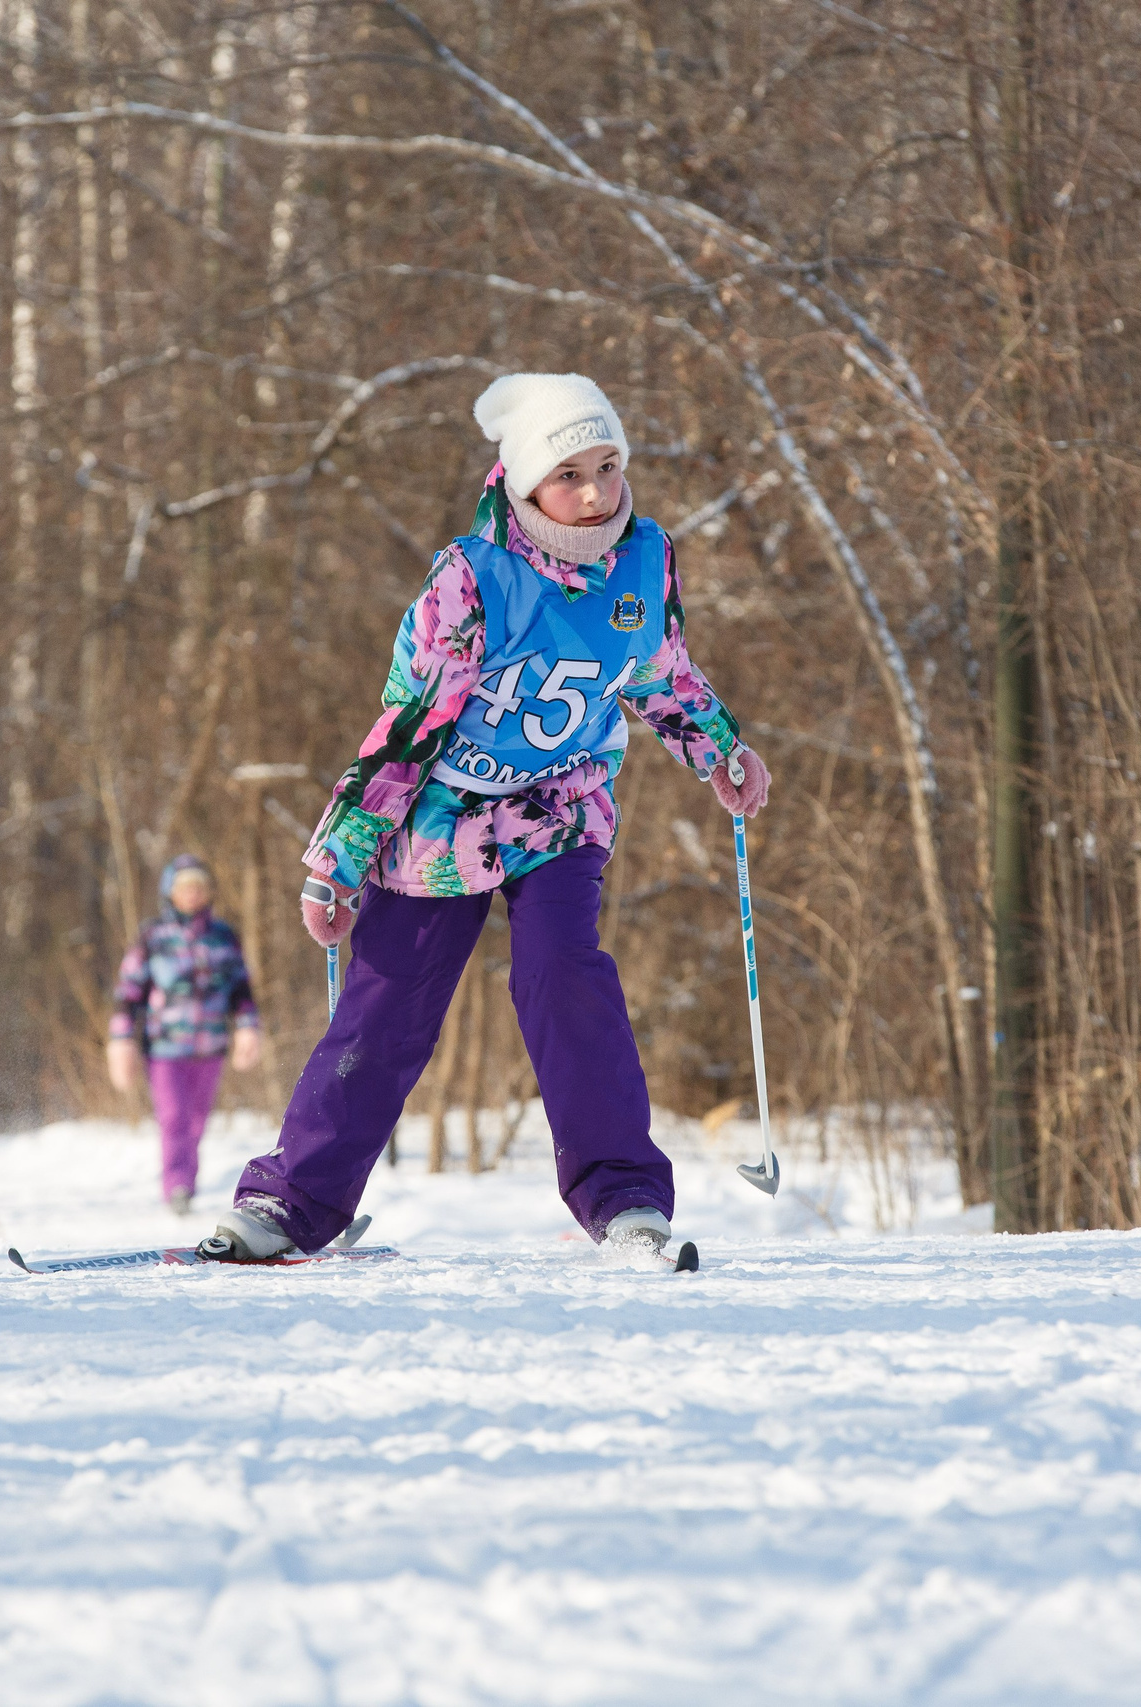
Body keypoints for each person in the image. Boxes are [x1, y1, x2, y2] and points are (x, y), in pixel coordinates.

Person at [202, 373, 772, 1265]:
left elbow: (661, 673)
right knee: (387, 1006)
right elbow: (410, 726)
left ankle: (623, 1197)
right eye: (569, 475)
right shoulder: (472, 580)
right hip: (441, 814)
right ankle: (294, 1202)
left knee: (563, 974)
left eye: (609, 466)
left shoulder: (644, 559)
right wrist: (340, 860)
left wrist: (720, 749)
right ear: (523, 484)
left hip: (560, 805)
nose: (595, 494)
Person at [107, 854, 264, 1214]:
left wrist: (247, 1028)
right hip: (164, 1047)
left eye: (199, 886)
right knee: (173, 1116)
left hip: (210, 1045)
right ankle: (177, 1184)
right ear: (170, 893)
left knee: (196, 1119)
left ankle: (187, 1182)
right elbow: (128, 992)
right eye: (185, 887)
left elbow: (241, 989)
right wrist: (121, 1040)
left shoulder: (223, 936)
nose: (193, 894)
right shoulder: (153, 936)